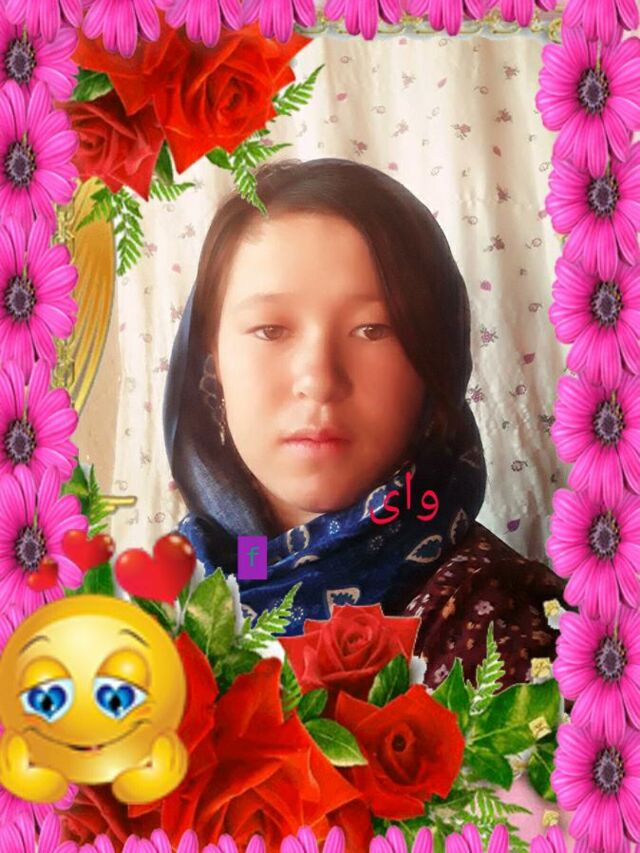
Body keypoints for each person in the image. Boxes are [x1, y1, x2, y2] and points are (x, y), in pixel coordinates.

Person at [163, 157, 566, 689]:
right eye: (270, 330)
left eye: (373, 329)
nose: (319, 380)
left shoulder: (497, 634)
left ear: (435, 360)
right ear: (210, 363)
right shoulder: (161, 598)